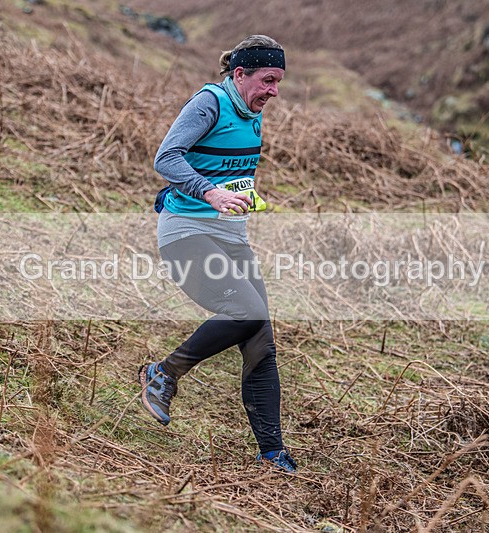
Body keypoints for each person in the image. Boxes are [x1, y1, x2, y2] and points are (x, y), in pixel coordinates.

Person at [138, 35, 297, 472]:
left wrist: (243, 195)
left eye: (278, 82)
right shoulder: (210, 103)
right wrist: (210, 193)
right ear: (239, 74)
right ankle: (163, 373)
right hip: (186, 234)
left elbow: (225, 167)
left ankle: (272, 453)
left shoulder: (251, 111)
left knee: (261, 338)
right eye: (267, 80)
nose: (274, 91)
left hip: (231, 237)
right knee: (247, 311)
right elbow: (166, 158)